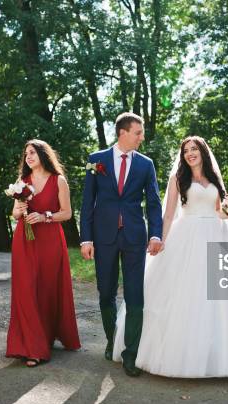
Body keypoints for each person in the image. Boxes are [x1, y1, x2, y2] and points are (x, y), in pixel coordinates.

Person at [113, 135, 228, 378]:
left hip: (216, 236)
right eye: (186, 150)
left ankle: (220, 356)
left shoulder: (213, 179)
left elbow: (218, 212)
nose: (190, 153)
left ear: (203, 151)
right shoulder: (178, 179)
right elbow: (168, 215)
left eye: (194, 149)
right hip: (186, 235)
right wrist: (160, 240)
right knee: (184, 294)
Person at [80, 112, 163, 377]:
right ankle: (111, 340)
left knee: (135, 295)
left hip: (135, 237)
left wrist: (156, 234)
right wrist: (86, 238)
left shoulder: (145, 164)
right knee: (106, 293)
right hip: (103, 237)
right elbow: (87, 202)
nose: (142, 137)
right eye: (138, 133)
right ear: (123, 133)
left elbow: (153, 201)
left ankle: (131, 353)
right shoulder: (97, 160)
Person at [6, 139, 81, 367]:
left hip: (50, 240)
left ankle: (45, 336)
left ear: (43, 155)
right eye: (26, 153)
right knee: (26, 289)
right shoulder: (22, 181)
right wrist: (19, 210)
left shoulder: (59, 180)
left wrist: (45, 216)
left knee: (47, 289)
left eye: (33, 152)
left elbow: (67, 213)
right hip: (24, 241)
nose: (28, 156)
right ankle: (31, 348)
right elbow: (14, 215)